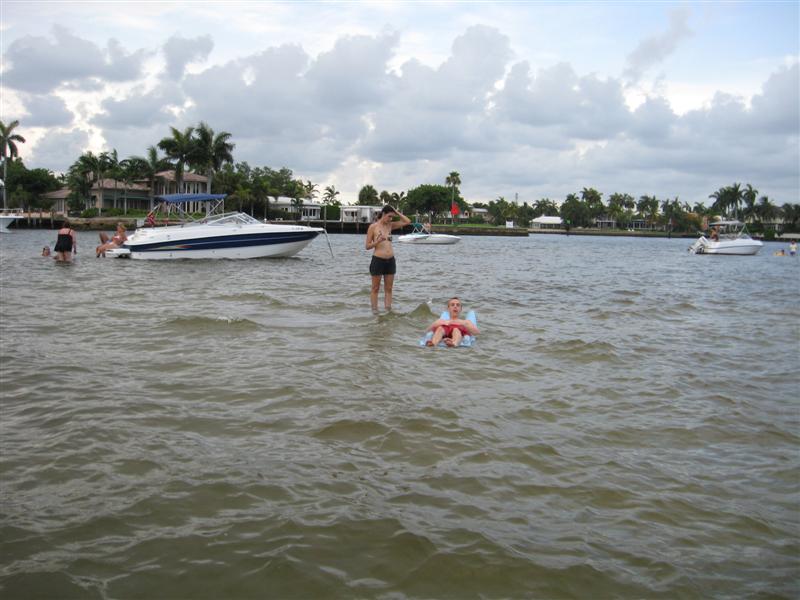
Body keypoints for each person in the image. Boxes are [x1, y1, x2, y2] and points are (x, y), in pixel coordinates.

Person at [366, 205, 411, 312]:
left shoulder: (390, 225)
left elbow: (407, 221)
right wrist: (377, 241)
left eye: (392, 217)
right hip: (378, 260)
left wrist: (396, 211)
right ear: (383, 214)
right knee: (375, 288)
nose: (390, 219)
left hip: (390, 260)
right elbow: (367, 246)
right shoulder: (373, 227)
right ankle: (375, 311)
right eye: (389, 216)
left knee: (389, 289)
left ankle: (388, 311)